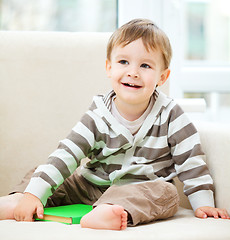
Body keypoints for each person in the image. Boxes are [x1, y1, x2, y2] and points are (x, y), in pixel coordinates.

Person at [0, 19, 229, 230]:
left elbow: (192, 161)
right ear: (109, 67)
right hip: (90, 186)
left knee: (167, 192)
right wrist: (34, 192)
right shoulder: (97, 115)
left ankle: (108, 212)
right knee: (44, 174)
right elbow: (67, 153)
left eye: (145, 66)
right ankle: (20, 199)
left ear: (162, 77)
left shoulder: (172, 115)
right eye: (123, 62)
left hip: (140, 190)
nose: (133, 72)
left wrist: (203, 203)